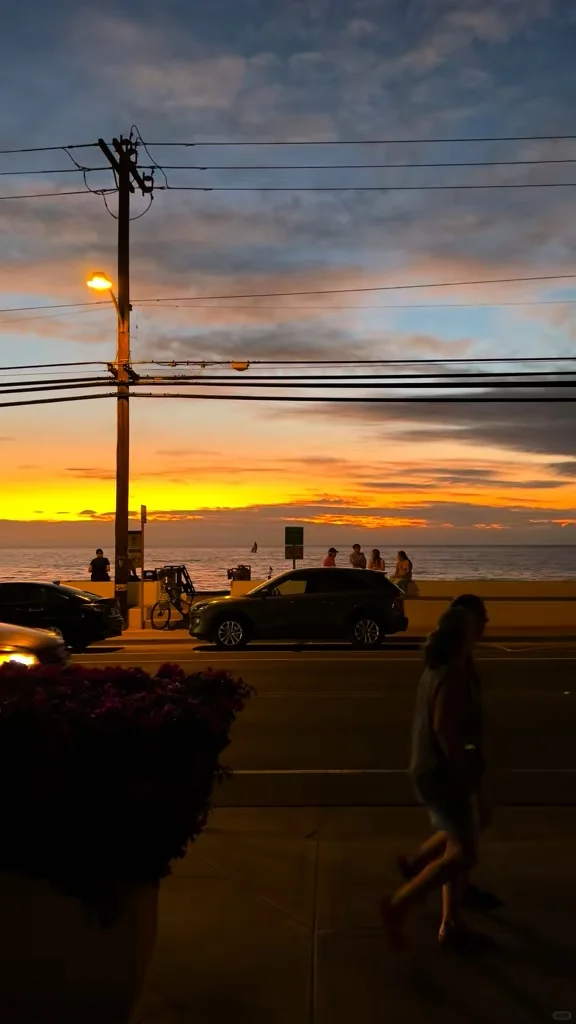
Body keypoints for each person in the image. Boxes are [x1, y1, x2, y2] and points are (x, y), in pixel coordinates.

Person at [381, 595, 493, 949]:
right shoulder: (452, 673)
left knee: (458, 838)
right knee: (465, 853)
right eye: (482, 621)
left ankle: (451, 922)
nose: (487, 624)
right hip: (443, 773)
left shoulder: (448, 664)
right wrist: (468, 767)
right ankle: (400, 904)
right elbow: (446, 729)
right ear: (466, 632)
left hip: (434, 770)